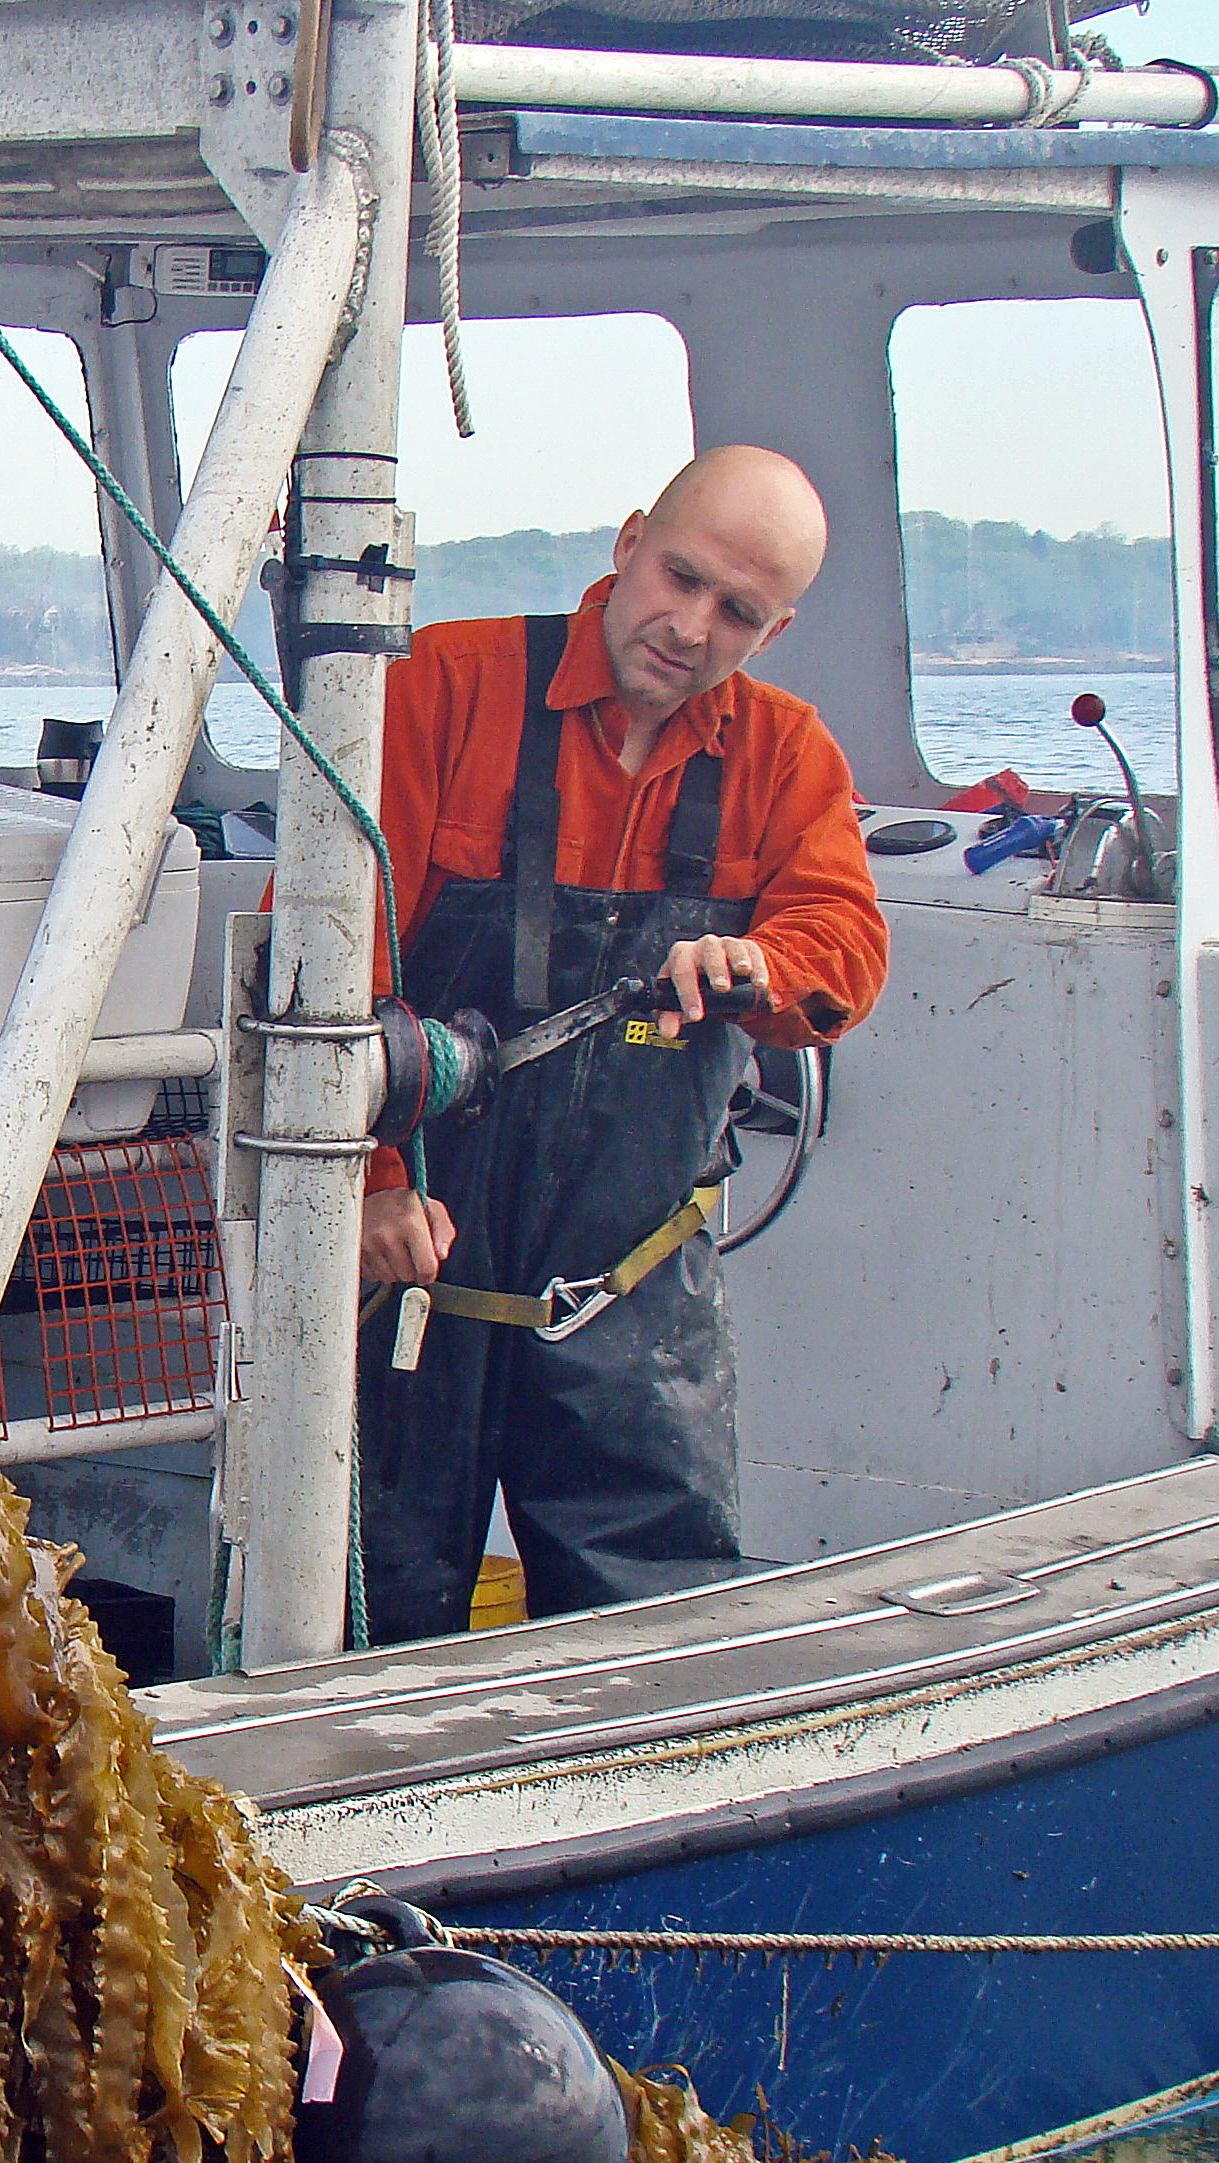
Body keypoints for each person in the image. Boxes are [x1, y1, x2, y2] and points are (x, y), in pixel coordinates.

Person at [354, 445, 887, 1643]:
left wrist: (764, 968)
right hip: (409, 1275)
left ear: (777, 627)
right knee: (365, 1604)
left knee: (657, 1637)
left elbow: (845, 939)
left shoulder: (789, 755)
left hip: (633, 1294)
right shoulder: (442, 685)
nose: (692, 627)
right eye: (682, 577)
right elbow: (334, 958)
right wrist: (373, 1189)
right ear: (630, 538)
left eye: (738, 612)